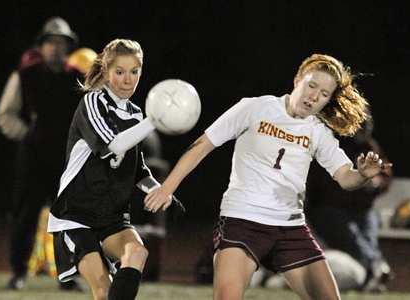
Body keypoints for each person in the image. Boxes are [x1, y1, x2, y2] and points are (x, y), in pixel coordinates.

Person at [143, 53, 392, 300]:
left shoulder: (318, 132)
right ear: (297, 81)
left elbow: (345, 177)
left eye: (324, 94)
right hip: (242, 221)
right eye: (312, 86)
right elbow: (202, 145)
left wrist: (362, 175)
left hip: (290, 228)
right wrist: (168, 187)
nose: (315, 96)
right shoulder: (254, 108)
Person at [47, 38, 163, 300]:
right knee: (103, 288)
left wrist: (160, 190)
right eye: (120, 72)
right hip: (76, 215)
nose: (127, 79)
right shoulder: (93, 103)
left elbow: (137, 169)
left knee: (138, 252)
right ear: (107, 72)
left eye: (134, 72)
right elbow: (114, 146)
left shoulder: (135, 114)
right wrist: (155, 120)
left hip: (112, 217)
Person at [0, 16, 84, 291]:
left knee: (68, 219)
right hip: (32, 157)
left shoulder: (79, 78)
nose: (56, 49)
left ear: (69, 48)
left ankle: (67, 276)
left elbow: (90, 117)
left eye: (62, 44)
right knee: (25, 215)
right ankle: (19, 272)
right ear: (42, 47)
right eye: (51, 43)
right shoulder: (25, 74)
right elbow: (5, 113)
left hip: (66, 160)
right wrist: (27, 134)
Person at [304, 115, 394, 293]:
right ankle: (376, 267)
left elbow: (384, 175)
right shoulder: (332, 146)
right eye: (359, 127)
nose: (363, 131)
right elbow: (319, 182)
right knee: (352, 235)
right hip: (329, 208)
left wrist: (374, 184)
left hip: (360, 209)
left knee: (368, 233)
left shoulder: (370, 147)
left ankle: (372, 273)